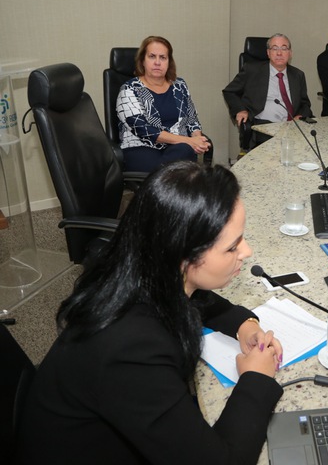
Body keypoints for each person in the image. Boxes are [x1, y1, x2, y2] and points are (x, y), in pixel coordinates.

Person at [15, 162, 284, 464]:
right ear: (182, 255)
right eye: (232, 247)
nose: (246, 252)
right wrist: (256, 378)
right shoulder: (132, 350)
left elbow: (195, 297)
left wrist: (243, 324)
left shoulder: (139, 270)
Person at [116, 36, 211, 173]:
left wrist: (197, 138)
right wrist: (188, 141)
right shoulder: (129, 89)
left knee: (184, 152)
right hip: (141, 146)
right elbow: (143, 129)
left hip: (177, 147)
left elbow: (192, 118)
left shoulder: (179, 86)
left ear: (169, 62)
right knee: (178, 164)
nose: (157, 62)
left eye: (162, 57)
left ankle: (164, 180)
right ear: (142, 61)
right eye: (152, 56)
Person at [222, 33, 312, 152]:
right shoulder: (252, 70)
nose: (279, 53)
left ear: (290, 53)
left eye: (284, 48)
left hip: (291, 127)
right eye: (274, 48)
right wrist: (240, 110)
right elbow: (229, 92)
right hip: (264, 127)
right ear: (268, 53)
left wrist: (300, 116)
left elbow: (305, 104)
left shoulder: (298, 75)